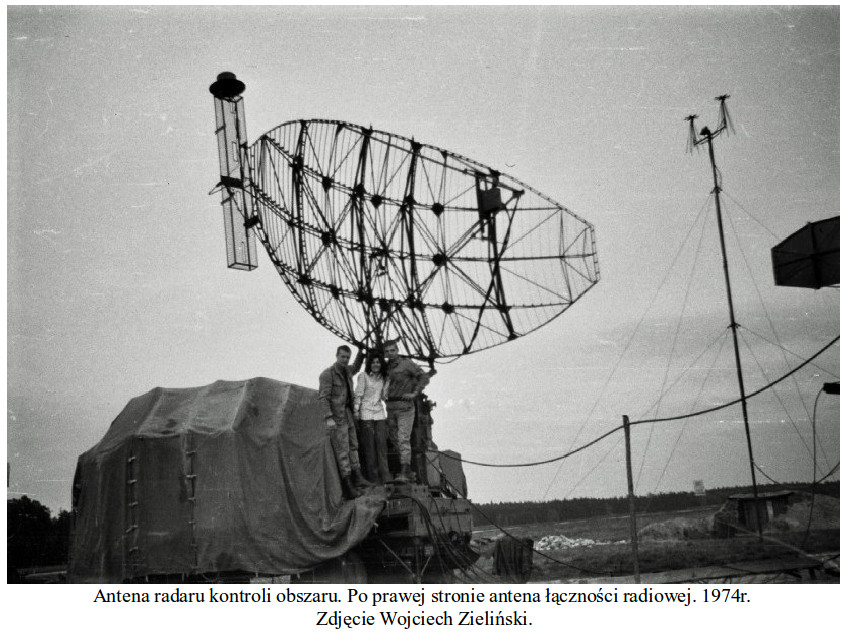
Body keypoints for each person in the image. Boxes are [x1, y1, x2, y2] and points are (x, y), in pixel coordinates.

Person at [318, 345, 370, 499]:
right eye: (343, 357)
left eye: (347, 357)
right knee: (343, 451)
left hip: (347, 414)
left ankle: (358, 477)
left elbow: (355, 367)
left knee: (354, 446)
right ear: (336, 356)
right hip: (337, 417)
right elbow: (323, 397)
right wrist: (328, 417)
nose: (345, 360)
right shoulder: (327, 374)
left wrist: (361, 353)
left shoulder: (346, 371)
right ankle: (349, 487)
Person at [383, 339, 436, 483]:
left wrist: (414, 393)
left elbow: (424, 377)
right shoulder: (385, 367)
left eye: (392, 350)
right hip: (391, 408)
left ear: (397, 350)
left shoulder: (407, 364)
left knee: (403, 439)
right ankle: (409, 471)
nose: (390, 354)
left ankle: (405, 472)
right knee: (394, 439)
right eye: (387, 352)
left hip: (405, 408)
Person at [353, 355, 391, 485]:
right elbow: (358, 394)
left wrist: (388, 382)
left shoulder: (383, 378)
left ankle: (386, 476)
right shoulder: (363, 376)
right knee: (370, 448)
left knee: (382, 445)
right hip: (366, 414)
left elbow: (384, 397)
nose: (376, 364)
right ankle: (374, 478)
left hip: (379, 414)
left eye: (378, 362)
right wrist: (356, 411)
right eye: (373, 362)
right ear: (370, 363)